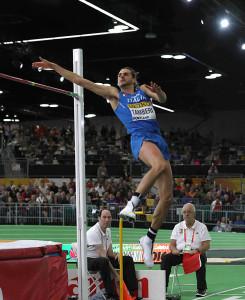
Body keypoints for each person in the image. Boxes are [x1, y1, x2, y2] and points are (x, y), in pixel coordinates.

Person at [32, 58, 173, 267]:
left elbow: (162, 99)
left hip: (158, 138)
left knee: (167, 198)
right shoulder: (114, 94)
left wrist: (159, 93)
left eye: (125, 74)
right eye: (119, 74)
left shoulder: (143, 90)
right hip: (140, 138)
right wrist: (55, 66)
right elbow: (81, 81)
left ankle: (148, 239)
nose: (121, 76)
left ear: (134, 78)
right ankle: (131, 204)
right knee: (159, 165)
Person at [72, 208, 138, 300]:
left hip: (101, 259)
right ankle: (111, 295)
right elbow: (104, 257)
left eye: (109, 217)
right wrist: (116, 275)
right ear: (99, 218)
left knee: (127, 259)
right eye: (104, 217)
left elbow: (110, 253)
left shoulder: (108, 231)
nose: (107, 220)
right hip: (87, 260)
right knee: (103, 262)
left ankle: (132, 293)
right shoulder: (93, 232)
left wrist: (117, 254)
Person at [160, 203, 211, 298]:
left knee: (201, 258)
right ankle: (162, 289)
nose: (186, 214)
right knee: (166, 259)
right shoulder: (177, 227)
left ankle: (201, 289)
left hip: (195, 253)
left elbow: (207, 245)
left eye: (189, 212)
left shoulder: (202, 227)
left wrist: (197, 250)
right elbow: (172, 244)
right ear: (182, 214)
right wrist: (174, 250)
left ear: (194, 214)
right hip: (180, 253)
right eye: (184, 212)